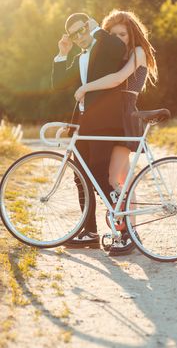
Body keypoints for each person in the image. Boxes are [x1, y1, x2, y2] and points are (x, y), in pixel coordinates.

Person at [74, 10, 158, 256]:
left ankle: (128, 233)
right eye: (113, 34)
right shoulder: (118, 55)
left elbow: (118, 79)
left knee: (113, 179)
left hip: (124, 116)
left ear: (132, 34)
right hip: (114, 116)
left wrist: (86, 88)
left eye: (122, 34)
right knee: (122, 180)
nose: (119, 38)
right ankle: (129, 232)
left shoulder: (138, 53)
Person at [52, 13, 127, 249]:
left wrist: (96, 31)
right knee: (79, 175)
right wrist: (63, 54)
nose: (79, 37)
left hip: (104, 121)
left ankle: (125, 230)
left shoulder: (105, 46)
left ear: (89, 26)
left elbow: (119, 46)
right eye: (74, 35)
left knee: (98, 171)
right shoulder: (80, 57)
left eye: (82, 31)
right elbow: (59, 85)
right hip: (84, 122)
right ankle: (89, 231)